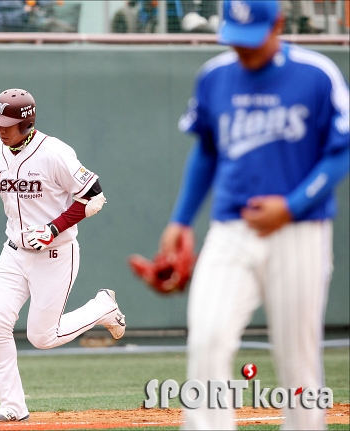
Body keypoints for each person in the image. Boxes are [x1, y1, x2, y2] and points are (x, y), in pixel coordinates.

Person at [159, 1, 349, 429]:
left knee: (297, 360)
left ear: (279, 24)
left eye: (253, 37)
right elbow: (206, 151)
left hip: (300, 231)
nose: (243, 50)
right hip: (230, 229)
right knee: (207, 337)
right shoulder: (215, 76)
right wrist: (181, 220)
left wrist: (294, 204)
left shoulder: (315, 74)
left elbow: (340, 152)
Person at [0, 88, 126, 422]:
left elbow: (94, 196)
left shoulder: (54, 152)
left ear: (26, 122)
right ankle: (13, 406)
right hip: (13, 252)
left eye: (6, 123)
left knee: (41, 337)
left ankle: (103, 307)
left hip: (55, 254)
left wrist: (54, 228)